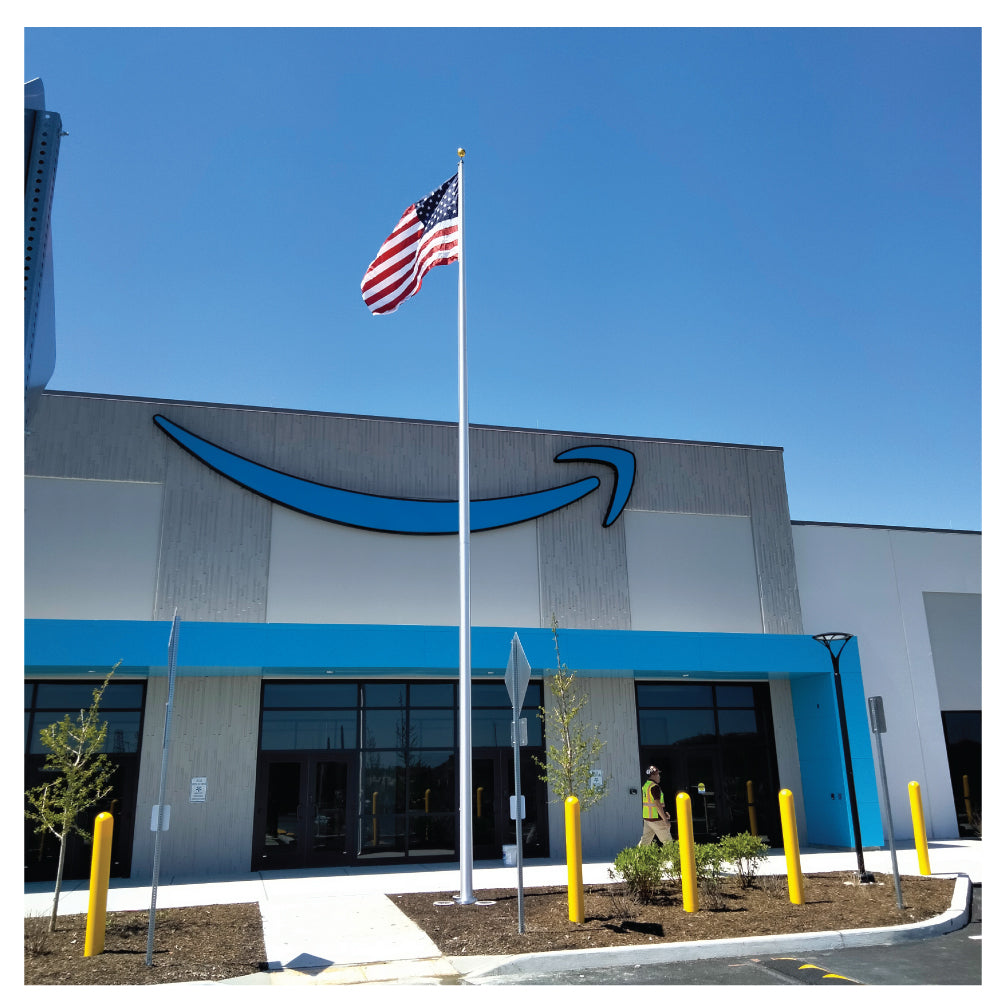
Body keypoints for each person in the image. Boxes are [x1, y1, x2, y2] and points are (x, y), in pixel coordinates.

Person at [638, 765, 673, 845]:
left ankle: (637, 857)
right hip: (657, 820)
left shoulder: (646, 785)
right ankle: (673, 857)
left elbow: (650, 803)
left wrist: (664, 814)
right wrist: (665, 820)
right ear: (653, 775)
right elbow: (657, 804)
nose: (659, 776)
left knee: (644, 842)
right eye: (657, 774)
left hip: (648, 819)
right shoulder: (655, 787)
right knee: (668, 843)